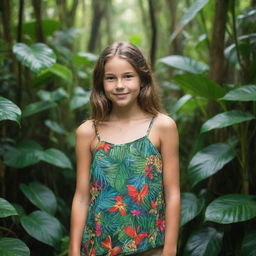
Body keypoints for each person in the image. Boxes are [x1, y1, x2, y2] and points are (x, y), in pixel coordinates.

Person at [68, 41, 180, 256]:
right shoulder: (88, 132)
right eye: (111, 78)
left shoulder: (162, 126)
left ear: (142, 78)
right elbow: (81, 197)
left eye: (128, 76)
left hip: (151, 247)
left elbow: (172, 194)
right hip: (98, 248)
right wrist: (73, 250)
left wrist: (170, 250)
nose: (119, 85)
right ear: (101, 82)